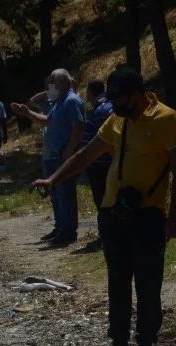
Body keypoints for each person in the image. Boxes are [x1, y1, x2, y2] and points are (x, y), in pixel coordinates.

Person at [32, 66, 176, 346]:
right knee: (117, 284)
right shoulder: (117, 119)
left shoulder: (167, 119)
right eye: (111, 99)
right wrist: (53, 179)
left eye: (119, 99)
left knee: (147, 283)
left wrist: (173, 218)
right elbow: (85, 156)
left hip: (148, 216)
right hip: (112, 213)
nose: (113, 105)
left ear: (137, 94)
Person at [12, 69, 84, 247]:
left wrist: (69, 150)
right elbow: (47, 121)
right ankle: (61, 229)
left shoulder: (71, 100)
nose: (50, 86)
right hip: (55, 154)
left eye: (53, 82)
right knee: (57, 194)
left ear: (62, 83)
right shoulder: (60, 101)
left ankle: (68, 233)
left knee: (66, 194)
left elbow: (79, 126)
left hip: (64, 155)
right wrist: (27, 113)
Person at [80, 79, 113, 249]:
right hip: (102, 163)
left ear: (91, 92)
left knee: (103, 204)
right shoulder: (107, 106)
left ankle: (106, 237)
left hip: (101, 165)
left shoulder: (102, 109)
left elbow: (107, 137)